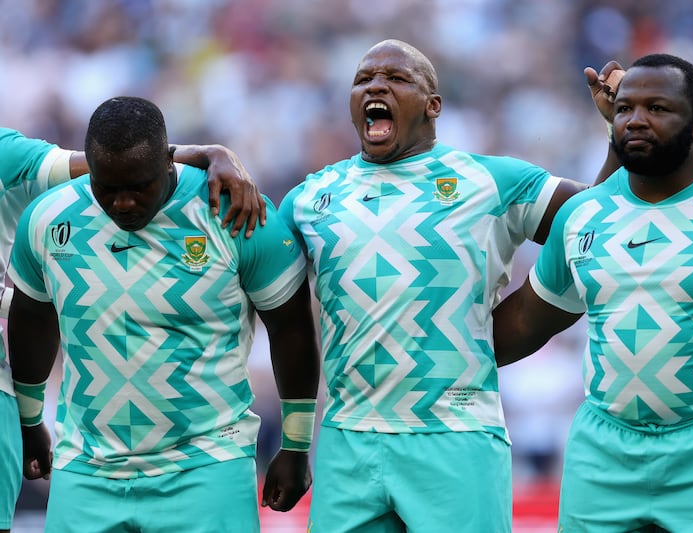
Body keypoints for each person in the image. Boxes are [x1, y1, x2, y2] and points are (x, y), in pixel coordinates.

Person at [277, 39, 621, 532]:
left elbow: (596, 222)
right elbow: (284, 325)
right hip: (346, 441)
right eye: (363, 79)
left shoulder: (492, 181)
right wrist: (294, 441)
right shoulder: (309, 199)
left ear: (433, 106)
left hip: (455, 436)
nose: (375, 85)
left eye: (396, 79)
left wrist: (617, 133)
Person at [492, 53, 693, 532]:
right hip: (603, 455)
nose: (636, 120)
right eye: (625, 109)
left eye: (657, 108)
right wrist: (429, 352)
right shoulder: (584, 215)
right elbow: (525, 324)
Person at [7, 96, 320, 532]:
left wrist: (296, 443)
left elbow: (291, 329)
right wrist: (30, 418)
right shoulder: (47, 218)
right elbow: (32, 322)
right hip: (86, 469)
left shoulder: (235, 213)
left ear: (168, 164)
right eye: (108, 188)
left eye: (138, 186)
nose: (122, 203)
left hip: (206, 467)